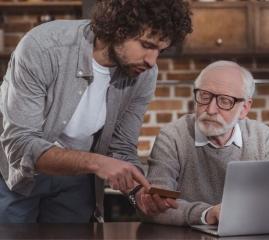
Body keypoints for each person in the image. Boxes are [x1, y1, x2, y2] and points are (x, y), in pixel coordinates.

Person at [0, 0, 192, 223]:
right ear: (119, 28)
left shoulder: (144, 75)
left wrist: (138, 193)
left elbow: (121, 147)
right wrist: (98, 163)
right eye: (147, 45)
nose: (152, 61)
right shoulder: (43, 47)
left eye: (161, 50)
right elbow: (21, 143)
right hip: (16, 173)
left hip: (77, 177)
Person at [139, 61, 269, 226]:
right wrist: (207, 214)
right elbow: (154, 208)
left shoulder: (263, 138)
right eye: (204, 96)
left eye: (224, 101)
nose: (210, 110)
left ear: (245, 108)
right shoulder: (173, 136)